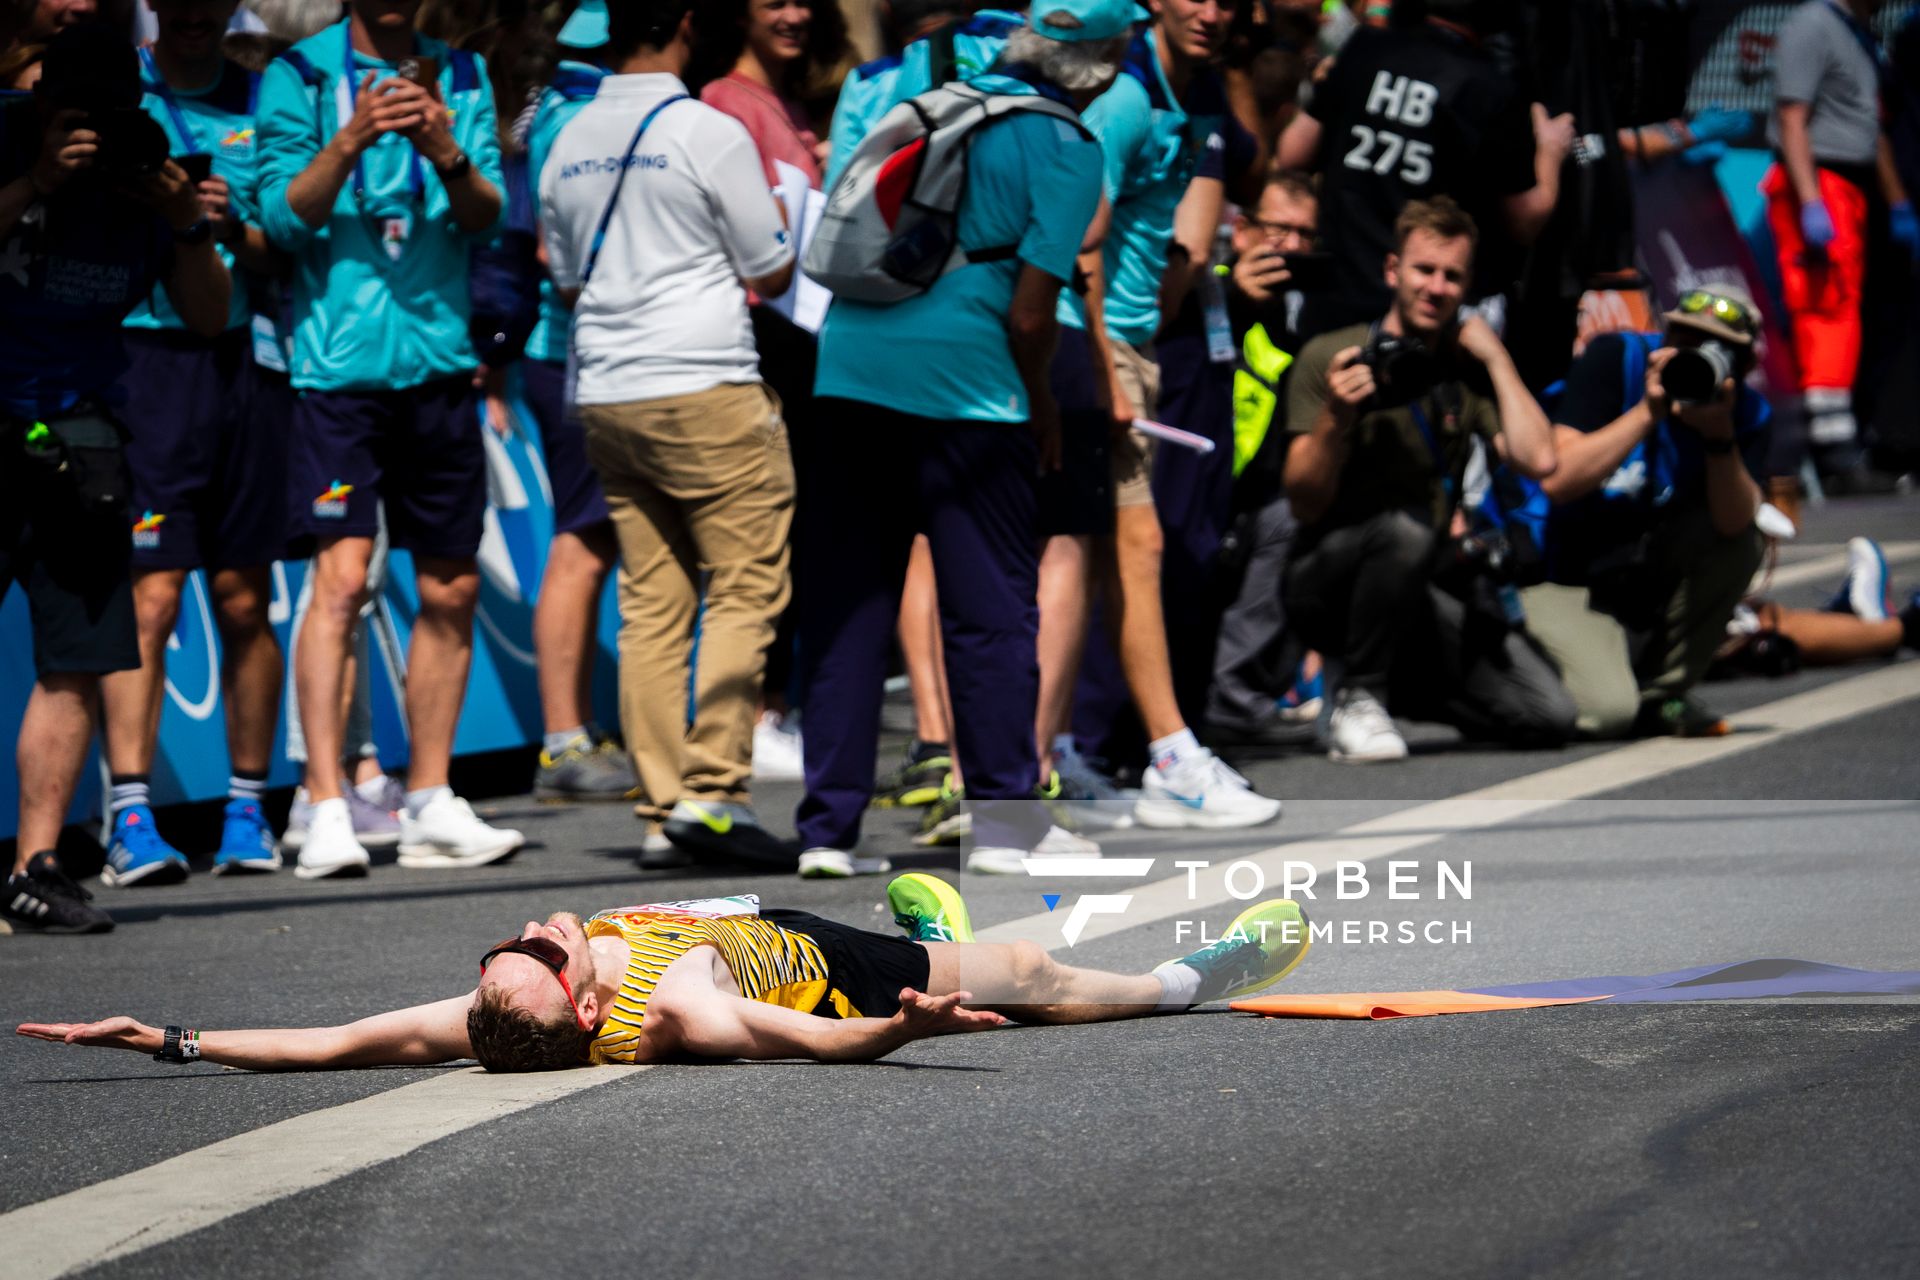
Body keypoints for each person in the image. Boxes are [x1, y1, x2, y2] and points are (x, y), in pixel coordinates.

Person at [796, 2, 1122, 876]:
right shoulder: (1068, 147)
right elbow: (1030, 310)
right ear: (1102, 67)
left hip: (849, 373)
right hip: (969, 400)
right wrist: (1044, 407)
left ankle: (827, 834)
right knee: (987, 615)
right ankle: (1007, 826)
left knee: (845, 607)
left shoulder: (935, 97)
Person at [14, 875, 1311, 1068]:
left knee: (947, 930)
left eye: (513, 948)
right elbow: (807, 1045)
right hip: (831, 971)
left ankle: (927, 912)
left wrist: (164, 1036)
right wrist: (905, 1028)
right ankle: (1206, 973)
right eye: (542, 954)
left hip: (748, 913)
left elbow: (332, 1042)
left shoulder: (488, 1012)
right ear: (581, 1009)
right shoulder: (675, 1012)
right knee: (1031, 970)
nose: (537, 932)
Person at [255, 0, 518, 878]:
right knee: (339, 585)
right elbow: (282, 223)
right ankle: (325, 801)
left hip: (440, 366)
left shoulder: (463, 73)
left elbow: (486, 214)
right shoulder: (297, 77)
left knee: (451, 585)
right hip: (339, 375)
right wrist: (353, 137)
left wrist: (444, 147)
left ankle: (432, 798)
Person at [538, 0, 797, 870]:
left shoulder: (567, 136)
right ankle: (713, 796)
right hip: (704, 380)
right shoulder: (706, 129)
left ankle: (660, 812)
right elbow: (772, 264)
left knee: (651, 603)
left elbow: (567, 278)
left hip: (610, 389)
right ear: (689, 21)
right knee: (744, 585)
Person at [1, 23, 230, 930]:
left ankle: (37, 866)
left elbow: (209, 317)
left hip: (83, 440)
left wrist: (188, 225)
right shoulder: (8, 135)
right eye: (73, 112)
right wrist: (37, 182)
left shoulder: (146, 169)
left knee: (77, 662)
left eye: (110, 112)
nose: (93, 130)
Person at [1054, 0, 1283, 831]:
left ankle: (1062, 756)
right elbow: (1080, 237)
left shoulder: (1196, 94)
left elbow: (1178, 238)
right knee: (1127, 549)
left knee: (1098, 558)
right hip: (1104, 345)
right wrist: (1107, 369)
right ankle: (1170, 756)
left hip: (1132, 347)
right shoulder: (1124, 100)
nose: (1211, 12)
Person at [88, 0, 288, 885]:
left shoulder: (268, 92)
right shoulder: (116, 87)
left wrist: (221, 220)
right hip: (141, 358)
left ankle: (248, 808)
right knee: (153, 595)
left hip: (250, 358)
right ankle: (130, 811)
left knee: (247, 598)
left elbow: (292, 241)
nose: (198, 9)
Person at [1282, 196, 1572, 763]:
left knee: (1548, 715)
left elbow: (1540, 461)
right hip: (1326, 579)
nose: (1436, 287)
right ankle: (1358, 690)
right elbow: (1302, 503)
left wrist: (1495, 359)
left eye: (1452, 276)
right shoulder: (1333, 355)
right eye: (1424, 270)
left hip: (1422, 587)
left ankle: (1389, 692)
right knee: (1404, 531)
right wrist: (1333, 423)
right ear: (1393, 271)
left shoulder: (1463, 368)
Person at [1518, 288, 1771, 739]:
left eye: (1715, 350)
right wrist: (1646, 413)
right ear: (1663, 333)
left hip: (1643, 573)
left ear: (1745, 366)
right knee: (1607, 713)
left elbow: (1734, 527)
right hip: (1561, 574)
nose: (1692, 356)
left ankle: (1662, 692)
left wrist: (1718, 438)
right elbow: (1559, 482)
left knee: (1747, 537)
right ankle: (1545, 663)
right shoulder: (1617, 359)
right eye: (1682, 338)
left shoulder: (1745, 412)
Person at [508, 0, 642, 808]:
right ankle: (562, 742)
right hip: (576, 354)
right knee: (583, 540)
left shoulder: (558, 102)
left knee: (595, 536)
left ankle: (577, 734)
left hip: (587, 354)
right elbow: (555, 255)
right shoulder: (576, 112)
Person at [1274, 0, 1572, 335]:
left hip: (1332, 303)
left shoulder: (1365, 46)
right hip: (1420, 316)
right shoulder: (1490, 89)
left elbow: (1292, 154)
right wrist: (1550, 151)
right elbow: (1525, 220)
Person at [1763, 0, 1917, 492]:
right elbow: (1793, 120)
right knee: (1824, 312)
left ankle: (1849, 439)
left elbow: (1873, 130)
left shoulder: (1859, 32)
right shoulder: (1812, 24)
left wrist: (1896, 203)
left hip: (1853, 187)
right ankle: (1832, 456)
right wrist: (1811, 201)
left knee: (1848, 313)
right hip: (1820, 183)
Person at [1203, 171, 1320, 746]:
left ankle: (1235, 697)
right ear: (1243, 231)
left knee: (1294, 514)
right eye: (1280, 230)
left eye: (1305, 235)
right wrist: (1230, 297)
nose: (1292, 247)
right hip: (1187, 486)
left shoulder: (1300, 316)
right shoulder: (1205, 288)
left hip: (1251, 499)